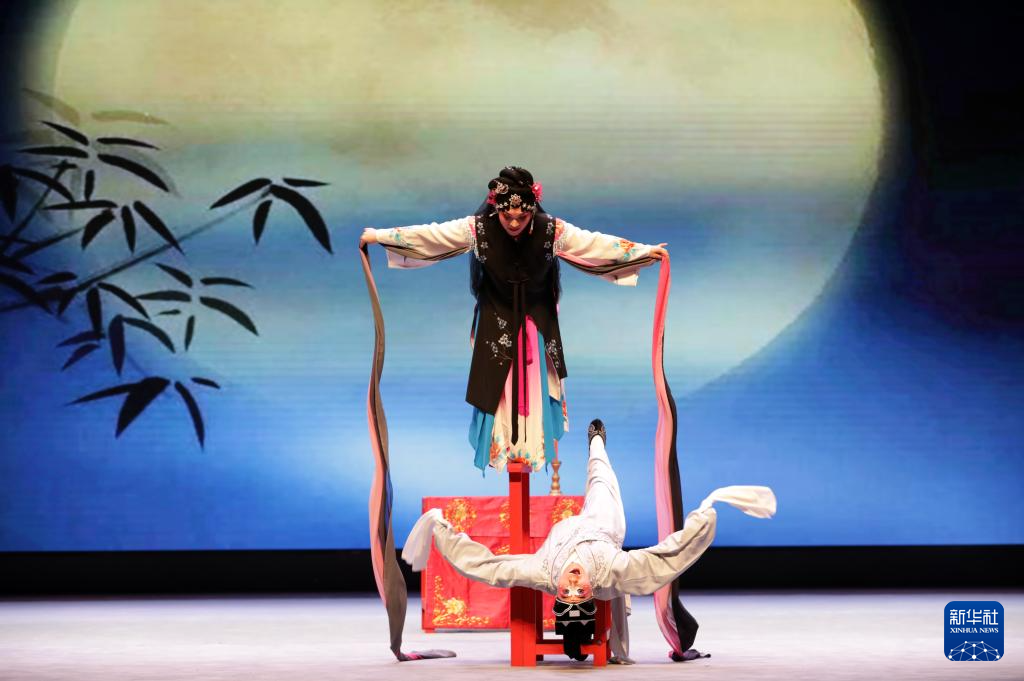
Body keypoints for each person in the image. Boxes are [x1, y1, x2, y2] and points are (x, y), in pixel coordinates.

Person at [360, 166, 668, 473]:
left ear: (533, 208)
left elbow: (594, 244)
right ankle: (506, 452)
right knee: (499, 399)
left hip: (535, 329)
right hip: (495, 328)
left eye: (523, 216)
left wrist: (642, 252)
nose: (515, 223)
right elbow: (432, 235)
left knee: (535, 396)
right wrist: (379, 236)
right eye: (508, 216)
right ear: (496, 207)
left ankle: (530, 452)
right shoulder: (477, 229)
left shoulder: (552, 230)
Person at [402, 419, 777, 663]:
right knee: (601, 478)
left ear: (557, 593)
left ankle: (595, 445)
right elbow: (665, 560)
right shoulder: (611, 571)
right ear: (590, 592)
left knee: (594, 487)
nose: (574, 583)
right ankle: (597, 442)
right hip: (602, 525)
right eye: (581, 592)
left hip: (571, 528)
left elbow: (488, 568)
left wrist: (442, 530)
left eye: (567, 592)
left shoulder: (542, 572)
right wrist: (704, 517)